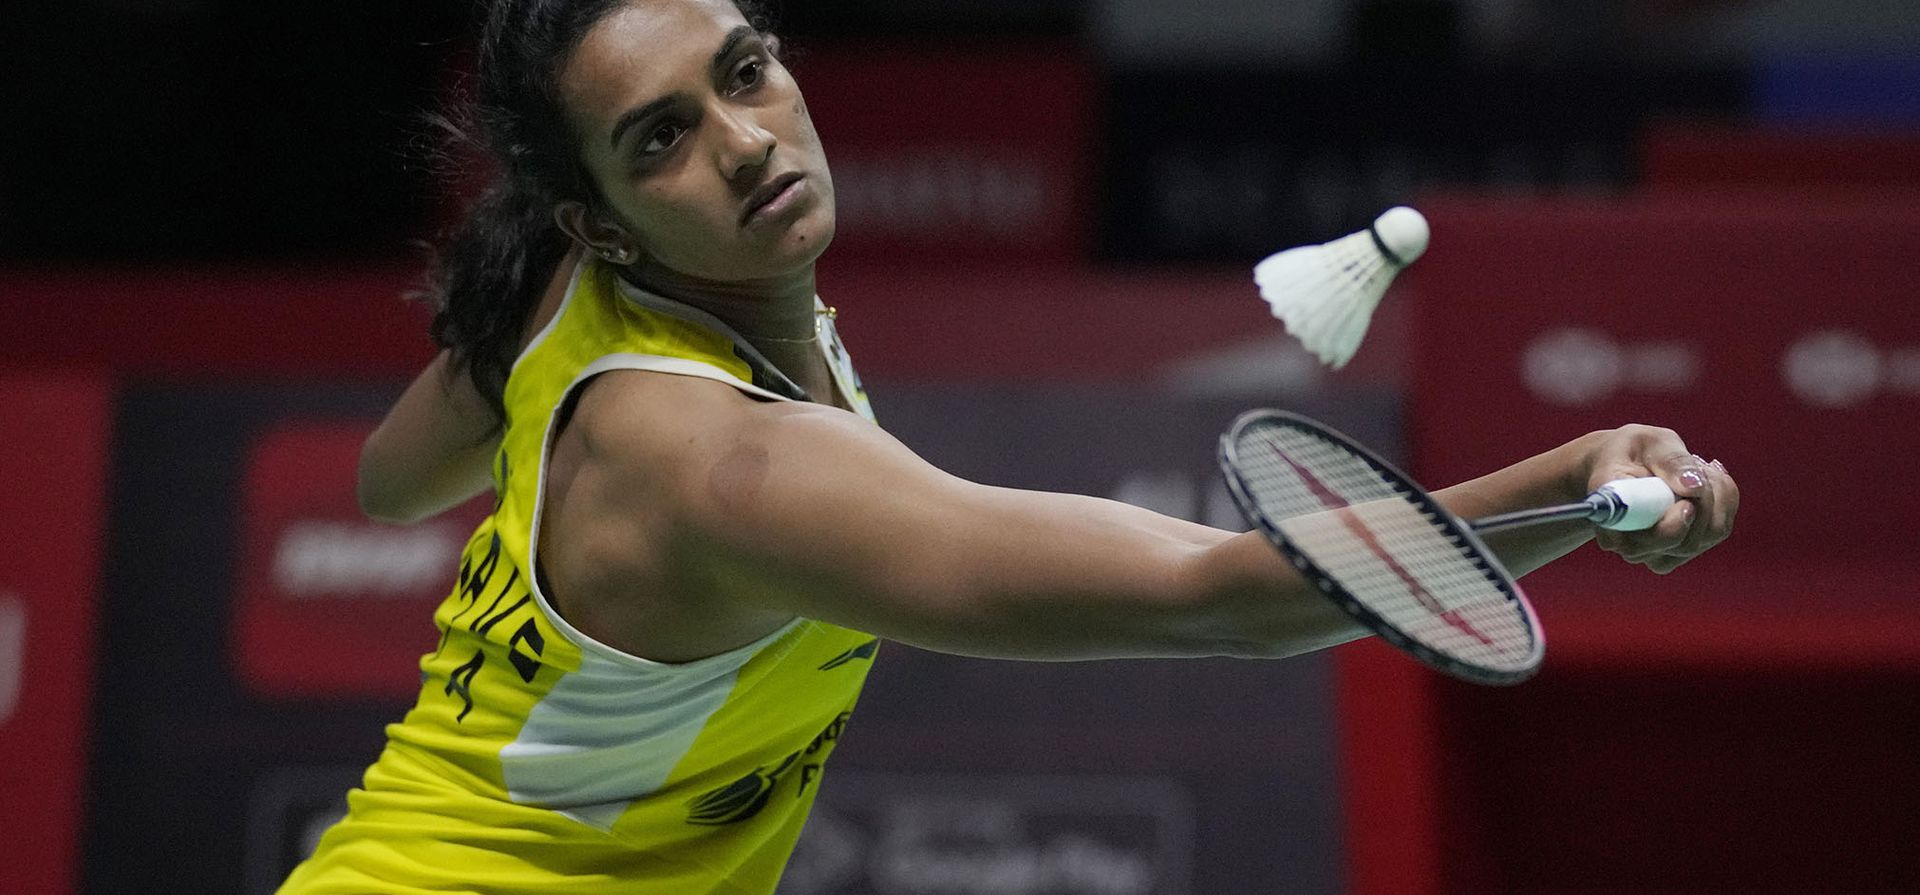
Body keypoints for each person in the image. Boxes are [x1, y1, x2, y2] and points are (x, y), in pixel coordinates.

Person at [280, 0, 1740, 891]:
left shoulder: (565, 293)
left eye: (743, 70)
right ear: (599, 217)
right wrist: (1558, 483)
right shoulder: (727, 468)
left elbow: (384, 479)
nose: (742, 141)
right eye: (660, 138)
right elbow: (1224, 597)